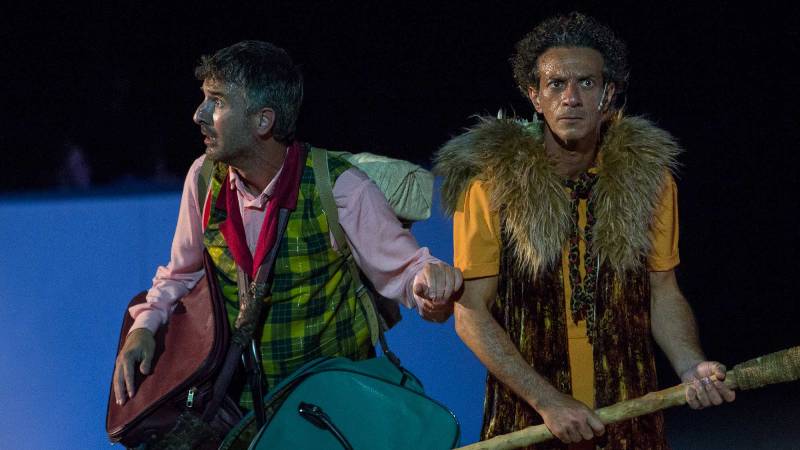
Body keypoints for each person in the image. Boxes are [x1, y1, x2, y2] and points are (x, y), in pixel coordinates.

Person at [434, 12, 734, 450]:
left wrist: (691, 366)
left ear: (608, 94)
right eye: (556, 84)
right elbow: (471, 313)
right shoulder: (489, 185)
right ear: (535, 96)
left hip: (628, 412)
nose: (571, 98)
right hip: (529, 419)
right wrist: (548, 401)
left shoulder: (649, 181)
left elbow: (663, 291)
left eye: (586, 83)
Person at [112, 40, 463, 412]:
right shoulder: (203, 179)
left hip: (333, 410)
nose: (199, 114)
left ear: (263, 121)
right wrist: (144, 328)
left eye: (218, 101)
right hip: (244, 411)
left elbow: (408, 271)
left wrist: (430, 283)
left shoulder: (339, 187)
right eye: (204, 99)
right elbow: (182, 273)